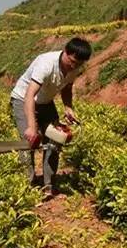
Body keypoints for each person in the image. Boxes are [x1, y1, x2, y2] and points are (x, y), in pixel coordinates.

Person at [9, 37, 92, 198]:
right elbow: (29, 95)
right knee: (29, 142)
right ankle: (28, 184)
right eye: (72, 61)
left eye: (79, 64)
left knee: (56, 140)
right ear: (66, 52)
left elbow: (67, 88)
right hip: (23, 100)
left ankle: (49, 185)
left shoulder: (75, 68)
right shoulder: (46, 64)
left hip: (45, 102)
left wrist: (68, 107)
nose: (74, 66)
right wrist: (32, 127)